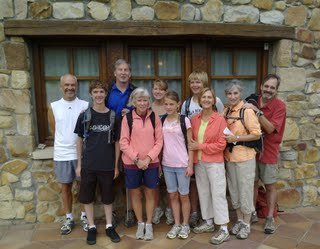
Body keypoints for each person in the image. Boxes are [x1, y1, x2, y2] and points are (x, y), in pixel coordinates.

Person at [75, 80, 121, 245]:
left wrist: (116, 165)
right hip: (89, 164)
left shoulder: (113, 116)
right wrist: (79, 164)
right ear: (91, 94)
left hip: (107, 164)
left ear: (105, 94)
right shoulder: (85, 116)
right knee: (88, 197)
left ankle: (109, 226)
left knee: (108, 197)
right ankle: (92, 226)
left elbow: (117, 142)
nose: (99, 95)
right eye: (96, 92)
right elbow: (79, 140)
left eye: (102, 92)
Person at [243, 74, 286, 234]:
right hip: (251, 150)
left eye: (272, 87)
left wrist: (257, 112)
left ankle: (269, 218)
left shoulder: (279, 106)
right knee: (252, 183)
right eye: (266, 86)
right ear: (261, 86)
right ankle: (252, 212)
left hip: (269, 151)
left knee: (269, 185)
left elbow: (269, 129)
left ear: (276, 90)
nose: (269, 90)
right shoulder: (252, 101)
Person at [180, 70, 224, 228]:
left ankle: (222, 225)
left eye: (198, 82)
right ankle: (204, 218)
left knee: (217, 192)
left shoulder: (216, 104)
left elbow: (222, 121)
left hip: (213, 154)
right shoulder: (187, 105)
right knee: (201, 189)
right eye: (192, 82)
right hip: (196, 155)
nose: (194, 85)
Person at [120, 88, 163, 241]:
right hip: (132, 163)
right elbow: (123, 142)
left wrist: (148, 159)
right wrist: (137, 159)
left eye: (145, 100)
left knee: (150, 193)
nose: (143, 103)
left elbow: (159, 141)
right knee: (136, 194)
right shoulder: (128, 119)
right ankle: (140, 223)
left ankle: (149, 224)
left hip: (151, 163)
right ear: (133, 102)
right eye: (139, 100)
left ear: (149, 102)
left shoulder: (154, 117)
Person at [188, 88, 230, 245]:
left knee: (218, 194)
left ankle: (224, 228)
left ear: (214, 101)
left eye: (209, 97)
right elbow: (191, 142)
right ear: (200, 100)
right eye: (203, 97)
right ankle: (208, 221)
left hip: (215, 163)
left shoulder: (219, 119)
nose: (206, 99)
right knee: (204, 193)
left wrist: (200, 146)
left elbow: (221, 144)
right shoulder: (195, 119)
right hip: (199, 163)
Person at [49, 74, 89, 235]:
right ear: (61, 87)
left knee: (83, 187)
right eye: (66, 85)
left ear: (77, 86)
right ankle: (69, 218)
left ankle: (85, 217)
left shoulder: (85, 105)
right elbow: (54, 131)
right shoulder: (53, 106)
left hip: (82, 155)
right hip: (62, 154)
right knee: (65, 188)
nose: (70, 88)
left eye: (72, 85)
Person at [224, 80, 262, 240]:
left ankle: (247, 223)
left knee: (245, 190)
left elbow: (257, 133)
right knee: (234, 190)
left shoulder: (246, 111)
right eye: (229, 93)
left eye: (235, 93)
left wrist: (236, 137)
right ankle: (239, 220)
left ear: (240, 94)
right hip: (229, 157)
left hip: (245, 157)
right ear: (226, 95)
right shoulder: (226, 110)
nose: (232, 96)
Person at [105, 59, 137, 227]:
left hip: (131, 140)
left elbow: (143, 108)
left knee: (130, 176)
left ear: (129, 74)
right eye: (120, 70)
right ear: (115, 73)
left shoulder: (135, 91)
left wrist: (131, 111)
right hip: (110, 140)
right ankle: (115, 212)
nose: (123, 73)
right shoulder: (108, 91)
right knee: (111, 176)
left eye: (126, 70)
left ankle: (130, 212)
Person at [162, 91, 193, 239]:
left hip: (182, 164)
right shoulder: (162, 120)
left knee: (184, 195)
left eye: (171, 104)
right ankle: (177, 223)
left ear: (178, 104)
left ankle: (185, 225)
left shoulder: (184, 120)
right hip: (167, 164)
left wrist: (190, 165)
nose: (168, 107)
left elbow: (191, 144)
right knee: (172, 195)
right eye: (166, 104)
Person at [150, 79, 174, 226]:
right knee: (155, 183)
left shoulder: (170, 108)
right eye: (155, 89)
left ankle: (171, 209)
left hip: (170, 149)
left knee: (171, 183)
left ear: (166, 92)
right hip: (152, 150)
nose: (158, 92)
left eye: (161, 89)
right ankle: (157, 208)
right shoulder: (149, 107)